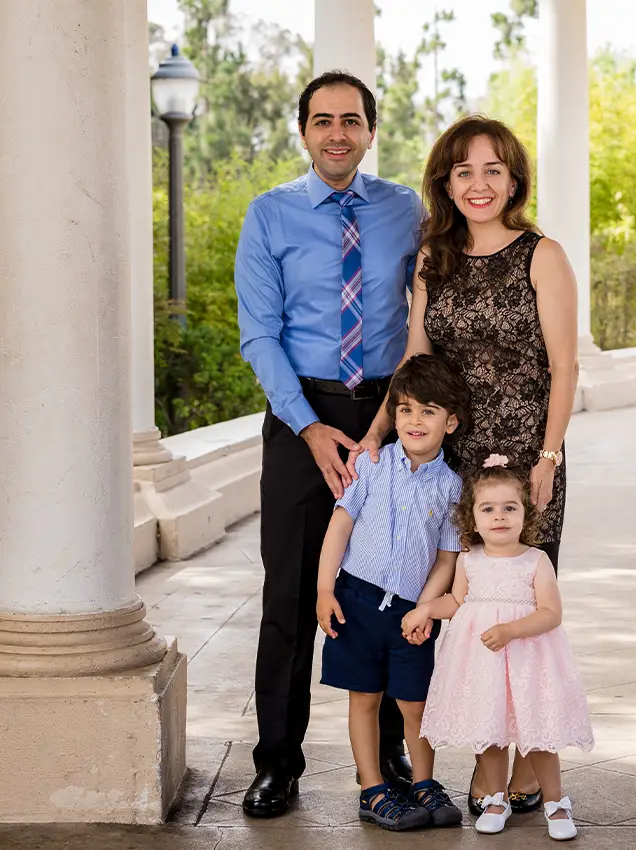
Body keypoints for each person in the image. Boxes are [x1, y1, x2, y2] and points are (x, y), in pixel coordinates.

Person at [350, 115, 580, 813]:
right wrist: (374, 436)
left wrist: (547, 456)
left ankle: (531, 764)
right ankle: (485, 760)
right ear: (444, 182)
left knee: (518, 611)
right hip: (447, 462)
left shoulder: (543, 255)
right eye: (463, 171)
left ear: (514, 179)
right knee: (457, 610)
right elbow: (415, 364)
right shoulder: (433, 256)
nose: (478, 185)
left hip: (523, 468)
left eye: (492, 170)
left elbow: (566, 367)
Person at [234, 70, 426, 818]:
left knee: (389, 583)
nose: (337, 133)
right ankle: (278, 762)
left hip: (388, 409)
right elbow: (260, 334)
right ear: (304, 131)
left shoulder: (404, 210)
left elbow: (426, 310)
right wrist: (308, 427)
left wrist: (394, 424)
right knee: (287, 594)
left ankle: (387, 758)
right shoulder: (269, 215)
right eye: (323, 120)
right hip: (300, 409)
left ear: (371, 131)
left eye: (351, 120)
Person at [403, 458, 594, 840]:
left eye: (510, 507)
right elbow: (457, 603)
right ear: (472, 519)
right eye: (488, 509)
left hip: (527, 662)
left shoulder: (535, 561)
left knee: (536, 734)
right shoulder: (468, 560)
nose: (499, 516)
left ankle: (555, 802)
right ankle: (495, 798)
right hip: (482, 663)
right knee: (488, 733)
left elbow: (551, 614)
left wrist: (510, 629)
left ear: (526, 513)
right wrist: (425, 608)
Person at [317, 354, 468, 831]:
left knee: (415, 703)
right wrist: (325, 590)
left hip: (411, 612)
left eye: (428, 410)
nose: (414, 420)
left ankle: (423, 783)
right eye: (404, 410)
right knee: (363, 697)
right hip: (355, 601)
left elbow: (446, 558)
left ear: (451, 421)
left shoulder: (452, 488)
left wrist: (426, 609)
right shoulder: (371, 466)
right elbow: (339, 526)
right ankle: (372, 789)